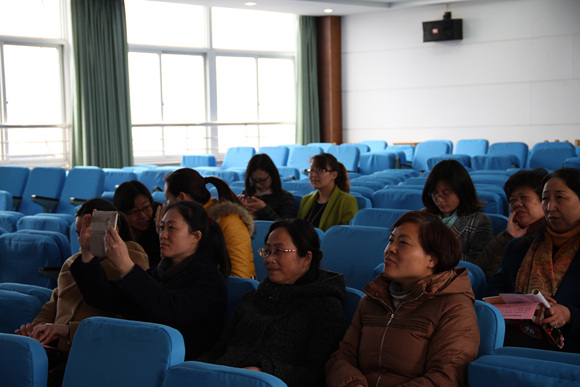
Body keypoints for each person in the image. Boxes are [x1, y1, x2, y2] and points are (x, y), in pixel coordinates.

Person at [326, 211, 480, 387]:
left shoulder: (454, 307)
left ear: (432, 259)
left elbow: (446, 378)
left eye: (403, 243)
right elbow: (342, 358)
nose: (390, 248)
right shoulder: (373, 299)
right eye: (391, 240)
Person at [70, 201, 230, 360]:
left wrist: (126, 265)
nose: (163, 235)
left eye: (171, 228)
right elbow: (103, 297)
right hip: (138, 355)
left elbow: (169, 310)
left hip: (176, 365)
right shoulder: (158, 273)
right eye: (161, 227)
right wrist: (87, 252)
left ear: (195, 236)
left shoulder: (210, 281)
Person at [15, 198, 149, 387]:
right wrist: (38, 329)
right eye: (79, 234)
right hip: (56, 349)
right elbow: (52, 305)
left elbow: (125, 318)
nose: (82, 240)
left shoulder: (130, 258)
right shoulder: (72, 262)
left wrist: (68, 331)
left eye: (89, 233)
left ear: (113, 230)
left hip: (93, 350)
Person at [198, 218, 346, 387]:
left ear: (306, 258)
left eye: (279, 251)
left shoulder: (325, 307)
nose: (269, 259)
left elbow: (317, 373)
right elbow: (219, 349)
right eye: (267, 251)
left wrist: (264, 373)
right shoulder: (253, 298)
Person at [485, 168, 580, 353]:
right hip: (512, 343)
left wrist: (569, 315)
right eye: (545, 198)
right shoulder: (518, 247)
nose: (550, 206)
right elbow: (492, 293)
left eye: (560, 197)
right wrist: (519, 301)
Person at [161, 168, 255, 278]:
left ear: (182, 198)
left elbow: (239, 278)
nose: (167, 207)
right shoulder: (186, 225)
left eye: (168, 200)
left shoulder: (229, 221)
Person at [476, 168, 548, 279]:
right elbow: (483, 273)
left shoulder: (555, 234)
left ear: (544, 200)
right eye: (513, 200)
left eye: (524, 198)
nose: (517, 204)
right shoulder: (508, 234)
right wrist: (508, 237)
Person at [422, 159, 493, 264]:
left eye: (446, 193)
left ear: (462, 191)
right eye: (434, 193)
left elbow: (479, 263)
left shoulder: (479, 222)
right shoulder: (422, 216)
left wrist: (436, 253)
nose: (439, 200)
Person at [297, 153, 358, 232]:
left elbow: (345, 234)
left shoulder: (347, 201)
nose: (314, 175)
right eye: (311, 170)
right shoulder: (306, 200)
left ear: (334, 175)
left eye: (320, 170)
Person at [113, 180, 161, 267]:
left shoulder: (161, 221)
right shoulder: (117, 234)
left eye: (146, 207)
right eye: (134, 212)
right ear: (122, 214)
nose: (143, 215)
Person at [239, 153, 295, 220]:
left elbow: (287, 226)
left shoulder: (285, 197)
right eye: (253, 180)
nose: (258, 184)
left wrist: (264, 208)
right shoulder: (246, 194)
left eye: (262, 180)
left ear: (272, 176)